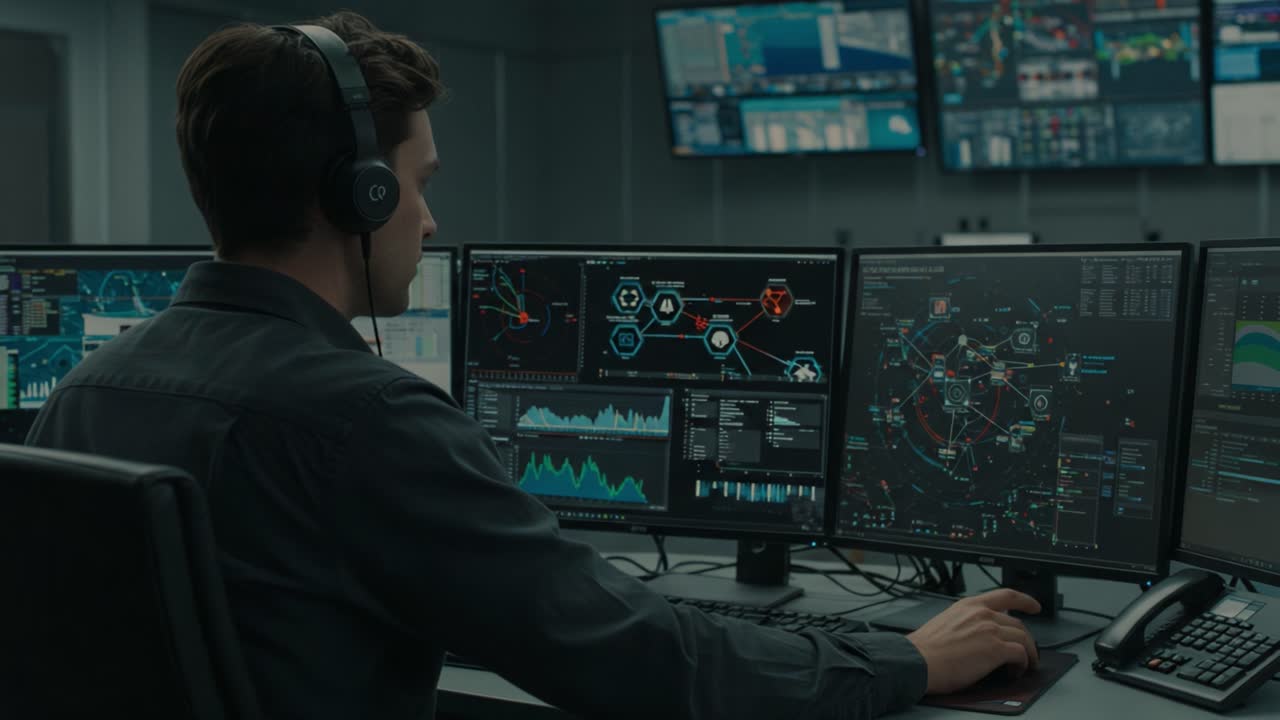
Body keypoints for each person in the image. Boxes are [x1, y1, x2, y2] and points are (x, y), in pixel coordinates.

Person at [26, 11, 1040, 720]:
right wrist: (902, 660)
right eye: (416, 186)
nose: (429, 220)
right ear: (360, 198)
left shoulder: (84, 396)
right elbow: (641, 662)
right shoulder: (361, 417)